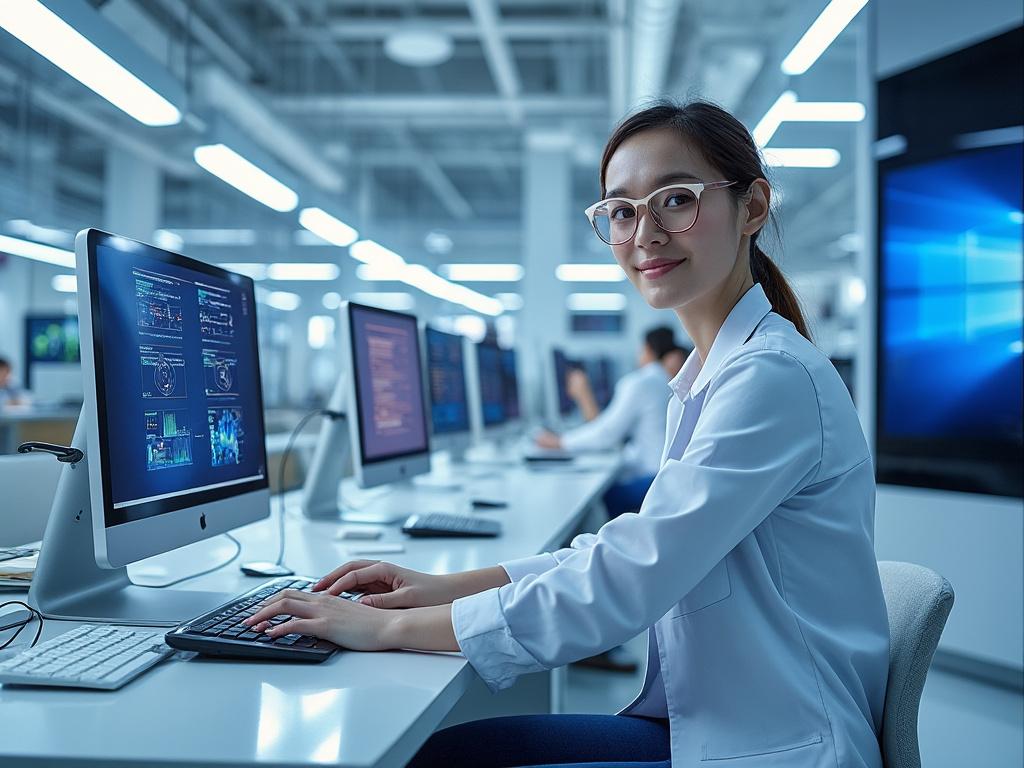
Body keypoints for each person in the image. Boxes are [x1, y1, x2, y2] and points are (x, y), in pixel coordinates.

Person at [244, 100, 889, 768]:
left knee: (435, 760)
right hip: (725, 723)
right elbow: (624, 552)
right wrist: (441, 588)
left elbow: (624, 583)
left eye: (676, 199)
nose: (645, 233)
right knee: (443, 753)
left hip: (778, 745)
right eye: (621, 211)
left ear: (753, 206)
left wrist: (390, 629)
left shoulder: (769, 377)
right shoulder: (711, 376)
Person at [535, 326, 677, 521]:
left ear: (647, 350)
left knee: (598, 497)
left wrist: (561, 443)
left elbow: (607, 434)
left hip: (650, 480)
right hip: (661, 476)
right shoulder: (665, 381)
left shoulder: (640, 383)